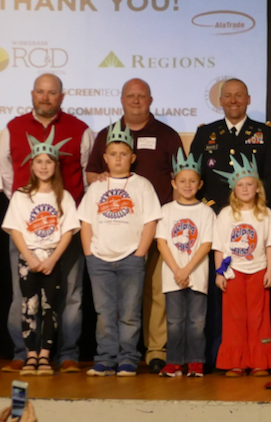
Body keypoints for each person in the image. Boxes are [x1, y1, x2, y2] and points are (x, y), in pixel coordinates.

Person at [0, 73, 93, 374]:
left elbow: (88, 174)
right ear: (32, 94)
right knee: (22, 296)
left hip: (66, 230)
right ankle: (23, 352)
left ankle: (67, 354)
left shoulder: (81, 130)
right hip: (26, 234)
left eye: (52, 93)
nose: (45, 97)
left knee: (70, 295)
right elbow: (5, 176)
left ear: (61, 97)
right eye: (40, 92)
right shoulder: (13, 128)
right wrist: (28, 205)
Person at [85, 79, 181, 373]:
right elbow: (90, 174)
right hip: (115, 232)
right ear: (122, 99)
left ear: (150, 99)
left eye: (141, 96)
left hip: (158, 225)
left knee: (155, 294)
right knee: (113, 305)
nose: (136, 100)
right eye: (131, 96)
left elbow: (181, 177)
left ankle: (155, 351)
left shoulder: (167, 135)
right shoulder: (105, 135)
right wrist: (101, 181)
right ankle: (112, 354)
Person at [77, 121, 162, 376]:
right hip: (99, 259)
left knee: (129, 313)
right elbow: (86, 222)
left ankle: (128, 358)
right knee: (104, 313)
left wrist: (140, 253)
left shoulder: (142, 185)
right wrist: (89, 254)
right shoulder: (96, 187)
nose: (118, 158)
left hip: (131, 257)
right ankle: (105, 358)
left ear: (132, 157)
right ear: (104, 157)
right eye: (113, 154)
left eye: (123, 154)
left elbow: (150, 221)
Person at [1, 132, 80, 376]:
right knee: (28, 306)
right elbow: (15, 229)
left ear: (55, 165)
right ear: (32, 165)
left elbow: (68, 231)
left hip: (52, 258)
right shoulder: (22, 196)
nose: (44, 166)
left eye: (48, 162)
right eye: (39, 162)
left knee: (50, 307)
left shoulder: (63, 196)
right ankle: (30, 355)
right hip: (29, 258)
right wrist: (31, 257)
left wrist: (52, 258)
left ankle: (45, 355)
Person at [212, 156, 271, 376]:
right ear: (234, 189)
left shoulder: (265, 214)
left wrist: (270, 270)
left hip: (258, 270)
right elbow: (219, 247)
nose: (245, 188)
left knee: (258, 317)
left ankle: (260, 361)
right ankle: (236, 363)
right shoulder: (226, 214)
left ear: (258, 188)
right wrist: (219, 273)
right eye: (240, 185)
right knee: (235, 318)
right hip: (233, 272)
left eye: (249, 184)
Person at [155, 149, 215, 377]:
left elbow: (205, 244)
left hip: (196, 274)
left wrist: (187, 269)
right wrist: (177, 270)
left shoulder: (206, 212)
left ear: (200, 184)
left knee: (196, 322)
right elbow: (162, 243)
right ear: (173, 183)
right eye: (182, 181)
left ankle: (196, 362)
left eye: (192, 181)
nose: (187, 185)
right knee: (173, 321)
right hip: (173, 274)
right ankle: (174, 362)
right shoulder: (166, 211)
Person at [190, 79, 271, 214]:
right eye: (228, 96)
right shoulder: (205, 133)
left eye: (239, 95)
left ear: (248, 99)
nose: (233, 101)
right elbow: (195, 176)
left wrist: (255, 207)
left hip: (254, 214)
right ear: (221, 100)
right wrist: (210, 207)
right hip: (212, 213)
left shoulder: (266, 133)